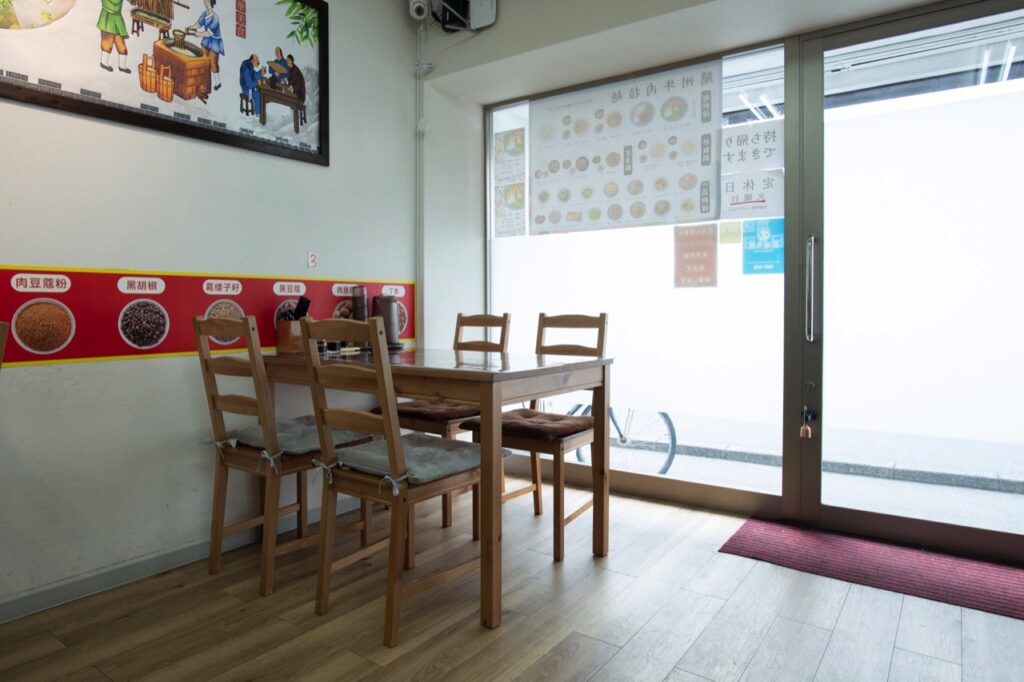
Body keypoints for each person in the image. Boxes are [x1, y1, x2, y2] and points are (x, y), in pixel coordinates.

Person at [190, 0, 224, 91]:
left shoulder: (215, 17)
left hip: (214, 41)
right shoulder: (204, 14)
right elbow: (198, 24)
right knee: (203, 59)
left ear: (212, 4)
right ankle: (203, 80)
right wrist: (191, 27)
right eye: (205, 2)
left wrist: (198, 34)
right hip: (206, 40)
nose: (205, 4)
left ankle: (218, 82)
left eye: (208, 2)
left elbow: (209, 33)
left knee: (213, 62)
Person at [98, 0, 131, 74]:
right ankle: (104, 63)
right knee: (107, 43)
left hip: (117, 19)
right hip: (107, 18)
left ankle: (122, 66)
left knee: (121, 45)